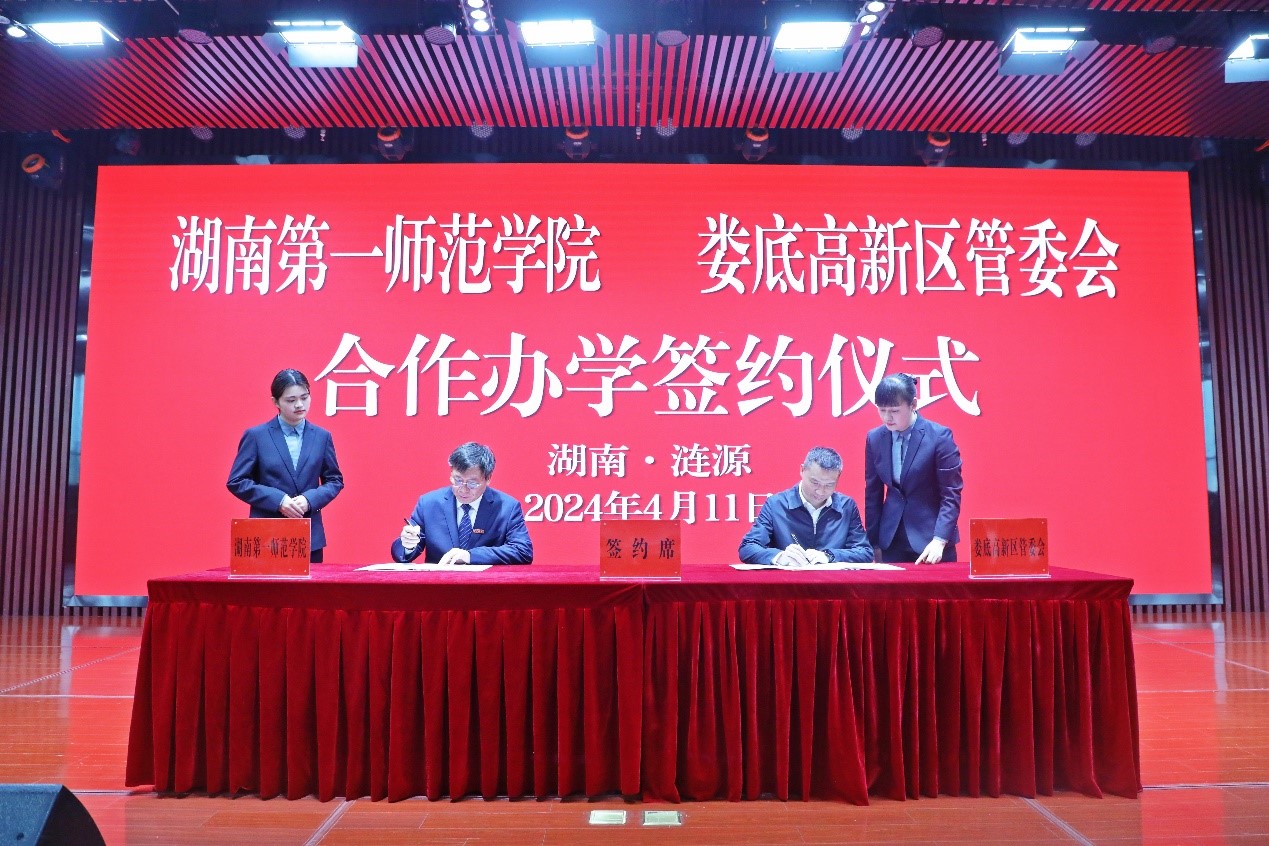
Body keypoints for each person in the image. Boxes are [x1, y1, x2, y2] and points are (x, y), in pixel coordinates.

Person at [227, 369, 344, 563]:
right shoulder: (257, 436)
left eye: (304, 397)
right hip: (266, 536)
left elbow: (334, 480)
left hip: (309, 537)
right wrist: (278, 501)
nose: (299, 405)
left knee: (311, 584)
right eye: (291, 400)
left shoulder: (322, 436)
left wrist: (309, 499)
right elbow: (237, 481)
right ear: (276, 402)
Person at [864, 373, 963, 564]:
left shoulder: (939, 437)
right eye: (881, 410)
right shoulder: (874, 438)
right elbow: (873, 495)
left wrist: (940, 540)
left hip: (931, 541)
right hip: (891, 541)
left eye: (894, 410)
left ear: (913, 404)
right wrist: (873, 543)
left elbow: (951, 495)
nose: (887, 417)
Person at [392, 442, 533, 565]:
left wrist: (470, 556)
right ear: (451, 473)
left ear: (488, 478)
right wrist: (408, 545)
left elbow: (523, 551)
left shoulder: (507, 507)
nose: (463, 489)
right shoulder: (429, 503)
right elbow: (402, 552)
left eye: (472, 483)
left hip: (486, 585)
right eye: (458, 480)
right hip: (440, 584)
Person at [739, 446, 873, 567]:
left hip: (832, 583)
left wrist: (829, 556)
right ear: (802, 470)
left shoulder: (846, 506)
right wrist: (779, 557)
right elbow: (748, 547)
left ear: (838, 477)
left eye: (829, 485)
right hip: (788, 583)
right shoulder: (776, 504)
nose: (820, 491)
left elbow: (864, 552)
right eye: (815, 482)